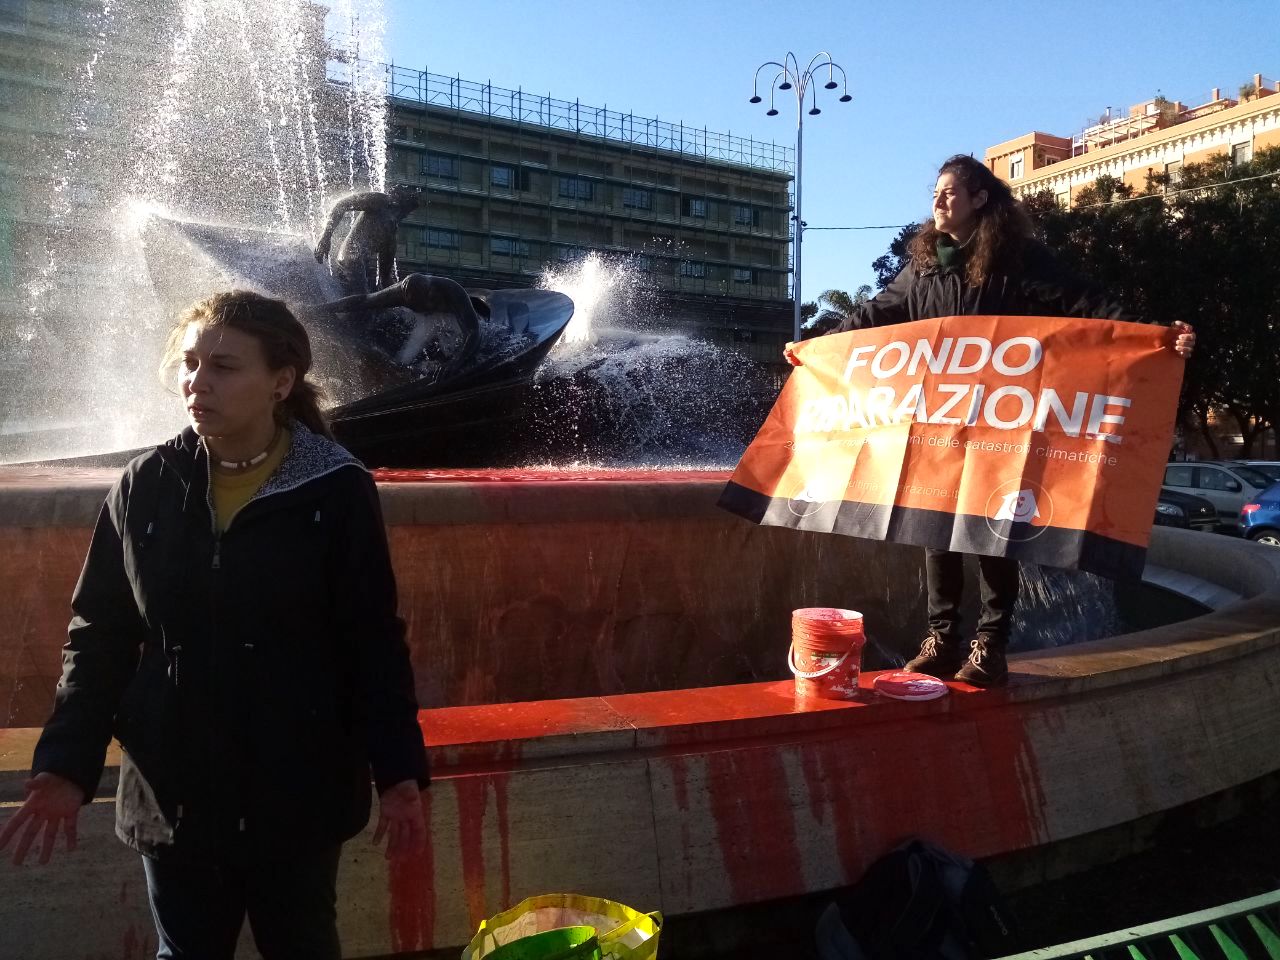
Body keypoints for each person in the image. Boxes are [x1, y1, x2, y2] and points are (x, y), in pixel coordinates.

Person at [0, 291, 430, 959]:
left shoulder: (335, 489)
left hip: (297, 790)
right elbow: (99, 636)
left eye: (224, 367)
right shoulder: (144, 484)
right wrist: (65, 765)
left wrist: (398, 771)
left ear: (281, 383)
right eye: (190, 363)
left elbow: (371, 639)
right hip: (174, 792)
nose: (196, 383)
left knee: (303, 946)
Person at [787, 154, 1196, 687]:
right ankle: (942, 639)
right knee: (933, 529)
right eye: (935, 192)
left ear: (981, 199)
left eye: (950, 193)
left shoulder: (1016, 257)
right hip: (937, 418)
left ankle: (991, 645)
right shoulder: (924, 264)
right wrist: (816, 345)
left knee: (991, 532)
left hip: (999, 422)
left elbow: (1086, 302)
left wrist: (1158, 338)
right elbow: (876, 313)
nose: (938, 201)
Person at [314, 184, 422, 294]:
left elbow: (384, 279)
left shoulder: (391, 235)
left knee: (365, 297)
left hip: (358, 264)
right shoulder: (380, 200)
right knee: (363, 297)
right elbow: (341, 204)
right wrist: (326, 237)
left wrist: (402, 294)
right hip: (350, 257)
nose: (405, 214)